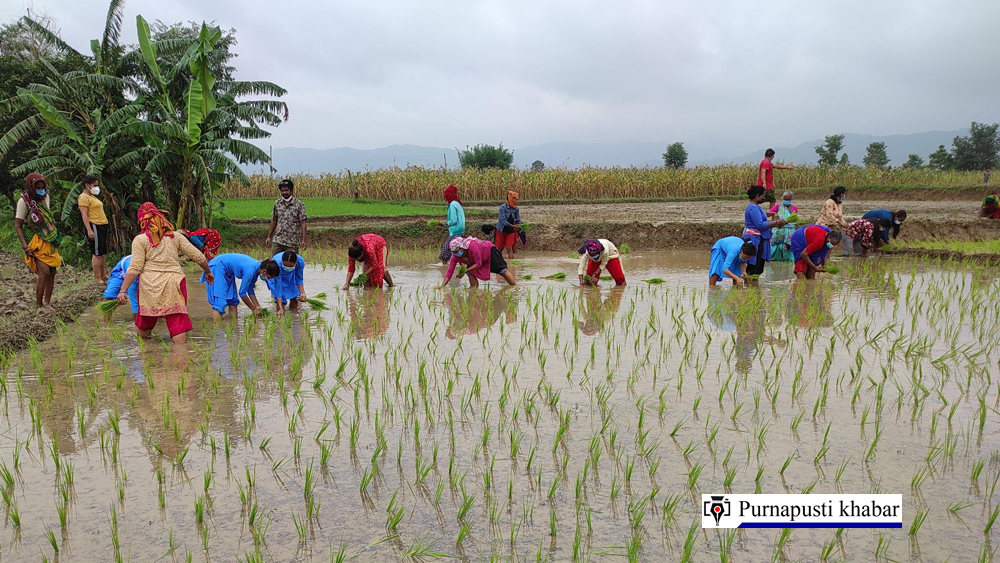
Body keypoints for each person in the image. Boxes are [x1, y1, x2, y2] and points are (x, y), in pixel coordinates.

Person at [116, 203, 213, 344]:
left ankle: (146, 353)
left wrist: (122, 290)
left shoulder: (140, 240)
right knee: (177, 325)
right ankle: (181, 354)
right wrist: (208, 272)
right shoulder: (175, 237)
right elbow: (198, 256)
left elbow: (135, 267)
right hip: (174, 282)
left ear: (142, 221)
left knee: (145, 323)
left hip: (149, 286)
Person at [15, 173, 61, 309]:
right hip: (34, 240)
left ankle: (47, 302)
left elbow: (47, 217)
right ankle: (39, 305)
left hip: (48, 238)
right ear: (31, 187)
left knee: (52, 271)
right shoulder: (24, 201)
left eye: (42, 187)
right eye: (38, 188)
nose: (41, 190)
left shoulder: (46, 197)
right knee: (44, 272)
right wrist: (25, 247)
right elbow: (18, 225)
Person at [202, 254, 280, 320]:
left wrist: (257, 306)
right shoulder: (250, 270)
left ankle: (234, 328)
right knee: (219, 302)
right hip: (218, 267)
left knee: (233, 300)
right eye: (269, 277)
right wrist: (253, 309)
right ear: (264, 271)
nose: (268, 280)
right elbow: (242, 293)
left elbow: (250, 289)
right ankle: (218, 330)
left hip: (228, 272)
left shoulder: (256, 270)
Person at [743, 186, 788, 285]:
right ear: (757, 196)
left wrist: (772, 214)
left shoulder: (756, 207)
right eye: (763, 196)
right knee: (754, 264)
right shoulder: (753, 208)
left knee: (759, 264)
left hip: (760, 238)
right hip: (755, 239)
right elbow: (759, 224)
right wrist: (776, 222)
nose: (764, 198)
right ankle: (749, 285)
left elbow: (762, 214)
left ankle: (754, 287)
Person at [441, 236, 516, 288]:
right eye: (454, 252)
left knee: (502, 271)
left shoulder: (472, 246)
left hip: (489, 251)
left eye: (457, 251)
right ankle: (473, 289)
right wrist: (442, 287)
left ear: (462, 247)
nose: (456, 253)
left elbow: (478, 263)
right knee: (470, 272)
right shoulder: (455, 256)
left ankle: (514, 287)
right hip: (476, 260)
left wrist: (464, 271)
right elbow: (449, 272)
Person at [78, 175, 109, 283]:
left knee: (103, 253)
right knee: (97, 254)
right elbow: (84, 214)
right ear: (87, 185)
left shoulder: (92, 197)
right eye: (95, 185)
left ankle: (103, 275)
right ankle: (97, 278)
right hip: (95, 225)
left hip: (102, 225)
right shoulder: (83, 197)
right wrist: (89, 230)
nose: (97, 187)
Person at [265, 178, 307, 257]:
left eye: (286, 190)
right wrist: (269, 236)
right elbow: (274, 220)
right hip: (278, 240)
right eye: (282, 191)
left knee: (290, 263)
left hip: (292, 242)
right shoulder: (277, 203)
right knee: (275, 262)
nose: (284, 193)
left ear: (291, 191)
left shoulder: (299, 204)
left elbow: (303, 223)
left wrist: (304, 240)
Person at [267, 250, 306, 315]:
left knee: (294, 299)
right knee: (281, 301)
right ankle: (280, 316)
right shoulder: (277, 264)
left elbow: (299, 278)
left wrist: (302, 293)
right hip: (277, 276)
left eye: (290, 266)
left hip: (291, 276)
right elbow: (278, 288)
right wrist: (280, 308)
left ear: (296, 262)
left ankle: (294, 317)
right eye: (285, 265)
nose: (287, 268)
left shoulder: (300, 262)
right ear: (282, 261)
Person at [768, 191, 798, 261]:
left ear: (792, 199)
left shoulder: (794, 208)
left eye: (789, 199)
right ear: (782, 199)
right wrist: (774, 213)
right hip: (779, 229)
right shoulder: (778, 207)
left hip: (790, 229)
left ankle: (788, 258)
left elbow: (794, 219)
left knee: (789, 244)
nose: (787, 201)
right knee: (776, 244)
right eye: (785, 199)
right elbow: (768, 213)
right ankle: (774, 257)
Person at [439, 184, 466, 262]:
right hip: (460, 231)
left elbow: (453, 220)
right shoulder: (457, 203)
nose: (445, 198)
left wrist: (445, 223)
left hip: (455, 233)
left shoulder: (452, 204)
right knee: (457, 254)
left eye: (446, 196)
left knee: (444, 254)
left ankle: (445, 269)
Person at [495, 190, 522, 259]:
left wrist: (520, 225)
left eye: (517, 199)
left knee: (509, 248)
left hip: (511, 231)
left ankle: (511, 263)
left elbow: (518, 219)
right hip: (502, 230)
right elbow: (502, 220)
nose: (516, 201)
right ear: (510, 199)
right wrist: (513, 226)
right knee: (499, 249)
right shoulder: (502, 207)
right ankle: (498, 262)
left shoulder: (516, 209)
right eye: (515, 199)